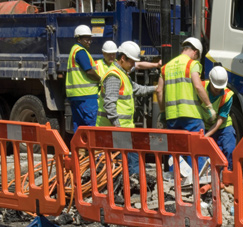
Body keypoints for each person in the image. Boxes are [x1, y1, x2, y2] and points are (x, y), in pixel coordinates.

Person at [156, 37, 216, 172]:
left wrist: (162, 111)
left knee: (175, 151)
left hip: (172, 116)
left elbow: (159, 90)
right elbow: (198, 86)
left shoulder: (166, 67)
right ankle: (197, 179)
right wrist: (209, 106)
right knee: (196, 149)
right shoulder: (191, 65)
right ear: (195, 52)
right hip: (191, 115)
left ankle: (175, 181)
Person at [96, 41, 157, 175]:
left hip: (123, 129)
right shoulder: (114, 75)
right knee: (127, 163)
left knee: (128, 161)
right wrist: (117, 126)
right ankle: (131, 189)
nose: (134, 65)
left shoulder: (123, 74)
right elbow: (109, 103)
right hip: (115, 130)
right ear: (123, 58)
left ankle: (130, 187)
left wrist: (156, 88)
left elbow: (137, 89)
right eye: (132, 62)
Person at [66, 24, 101, 132]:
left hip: (76, 95)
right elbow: (89, 71)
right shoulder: (80, 51)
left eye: (90, 39)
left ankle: (80, 149)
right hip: (86, 95)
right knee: (90, 126)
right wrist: (100, 79)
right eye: (86, 39)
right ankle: (90, 149)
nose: (89, 42)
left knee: (79, 126)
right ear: (79, 39)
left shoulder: (74, 50)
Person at [201, 66, 236, 170]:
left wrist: (206, 136)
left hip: (223, 126)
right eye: (215, 87)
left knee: (229, 149)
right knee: (202, 151)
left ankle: (227, 174)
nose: (217, 90)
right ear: (210, 81)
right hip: (204, 125)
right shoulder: (201, 88)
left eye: (220, 87)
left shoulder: (227, 95)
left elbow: (220, 120)